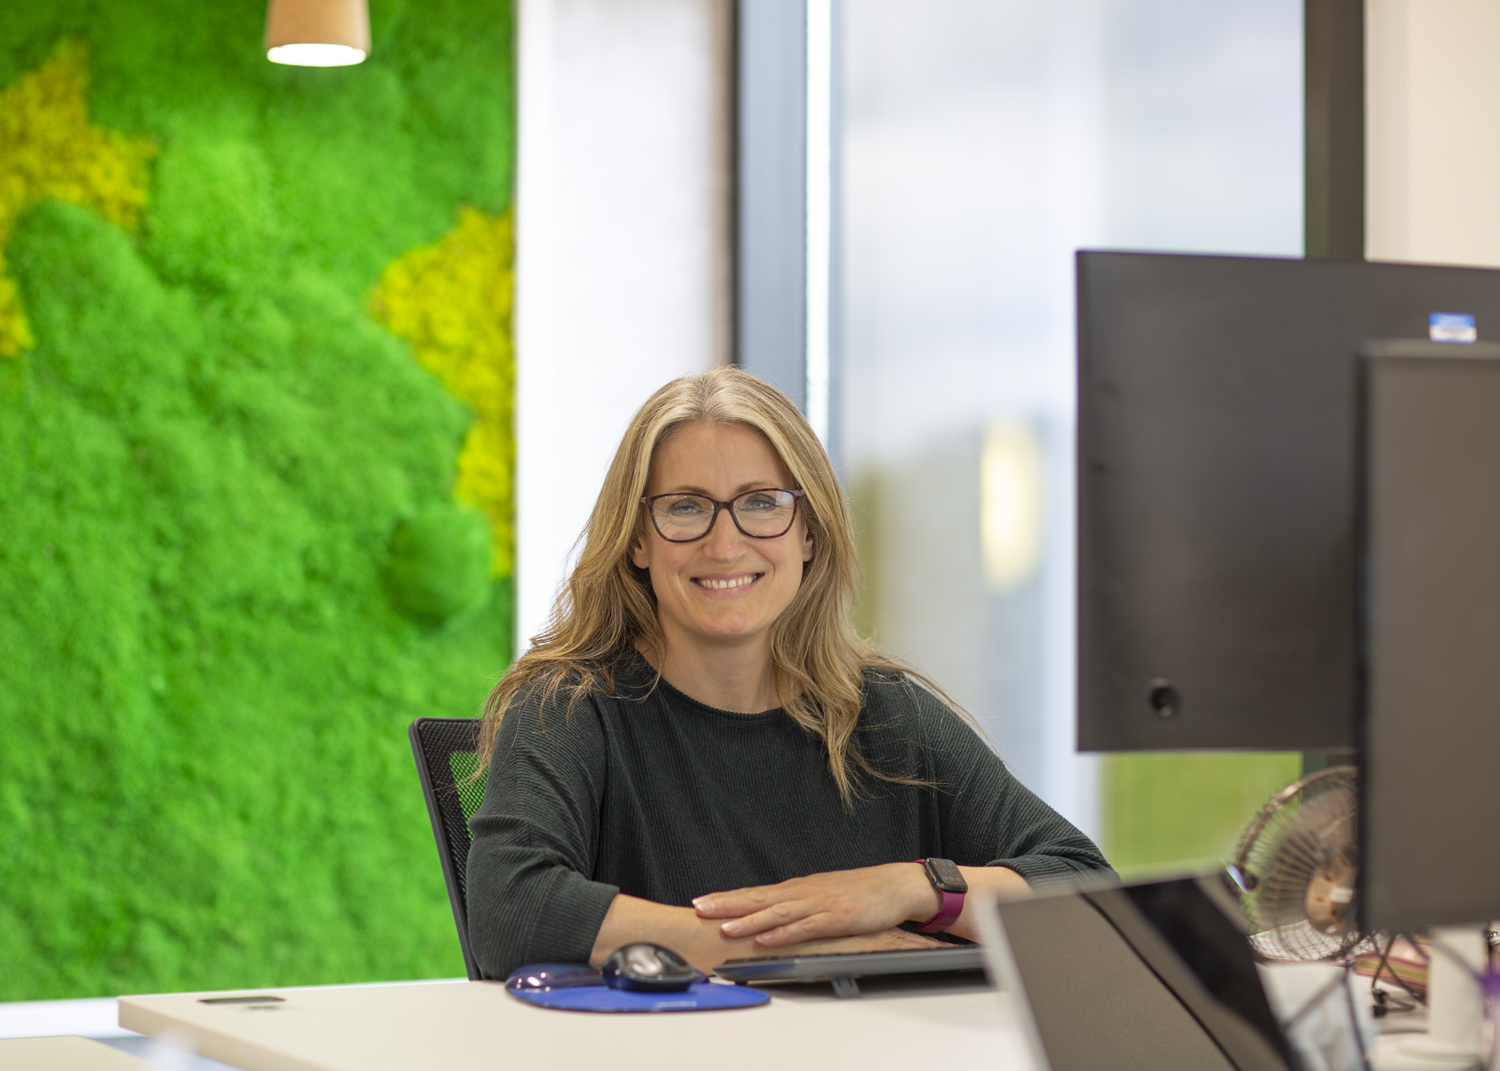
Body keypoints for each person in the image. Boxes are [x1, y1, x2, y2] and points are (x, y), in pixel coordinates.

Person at [465, 368, 1111, 978]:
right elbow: (510, 908)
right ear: (638, 538)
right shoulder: (569, 707)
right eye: (686, 507)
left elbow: (1089, 893)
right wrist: (794, 944)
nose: (724, 544)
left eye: (762, 502)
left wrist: (909, 887)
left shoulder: (889, 718)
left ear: (808, 532)